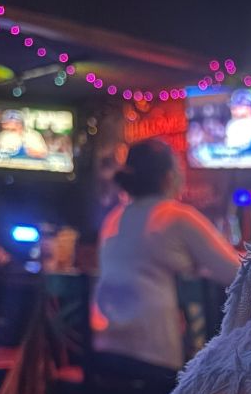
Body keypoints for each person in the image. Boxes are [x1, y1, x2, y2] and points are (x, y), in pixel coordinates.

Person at [93, 139, 241, 381]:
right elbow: (236, 273)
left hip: (106, 355)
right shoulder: (176, 217)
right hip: (156, 360)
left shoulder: (113, 219)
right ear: (168, 177)